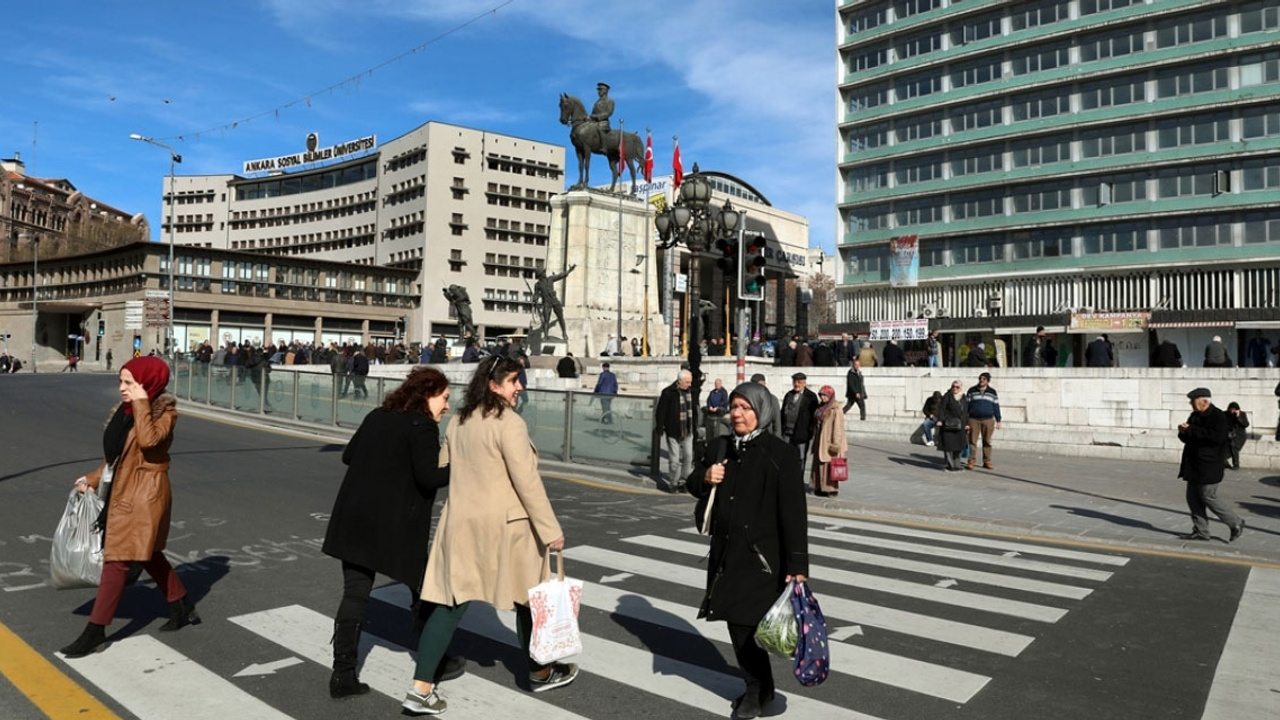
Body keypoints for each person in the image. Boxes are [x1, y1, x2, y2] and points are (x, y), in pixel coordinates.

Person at [408, 356, 573, 714]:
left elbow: (442, 468)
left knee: (450, 604)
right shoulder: (509, 423)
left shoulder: (460, 421)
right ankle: (539, 671)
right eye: (514, 381)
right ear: (494, 385)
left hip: (462, 524)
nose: (520, 387)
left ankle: (420, 688)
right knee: (528, 599)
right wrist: (550, 530)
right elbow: (526, 482)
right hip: (507, 528)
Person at [321, 368, 458, 698]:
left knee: (355, 593)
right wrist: (461, 465)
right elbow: (429, 478)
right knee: (424, 589)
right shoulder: (422, 425)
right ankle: (434, 661)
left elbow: (348, 455)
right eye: (444, 398)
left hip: (354, 520)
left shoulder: (377, 415)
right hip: (396, 528)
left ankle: (342, 674)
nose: (447, 406)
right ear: (427, 395)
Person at [60, 357, 200, 658]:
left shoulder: (165, 412)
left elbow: (149, 442)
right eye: (121, 382)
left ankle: (95, 630)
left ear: (147, 384)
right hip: (123, 490)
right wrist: (93, 478)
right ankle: (181, 603)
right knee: (147, 554)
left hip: (144, 495)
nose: (122, 389)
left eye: (130, 383)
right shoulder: (123, 413)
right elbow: (118, 458)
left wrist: (141, 403)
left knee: (118, 561)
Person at [686, 382, 809, 720]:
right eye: (734, 407)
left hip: (763, 559)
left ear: (761, 411)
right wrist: (706, 476)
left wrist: (797, 564)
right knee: (738, 626)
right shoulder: (720, 446)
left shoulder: (779, 454)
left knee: (749, 626)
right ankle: (760, 685)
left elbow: (794, 515)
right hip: (727, 554)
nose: (737, 414)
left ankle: (756, 690)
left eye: (745, 408)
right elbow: (692, 484)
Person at [1176, 388, 1245, 542]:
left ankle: (1236, 522)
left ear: (1204, 401)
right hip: (1193, 465)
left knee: (1208, 496)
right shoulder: (1194, 416)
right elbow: (1189, 438)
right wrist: (1182, 432)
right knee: (1193, 497)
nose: (1191, 404)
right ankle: (1201, 531)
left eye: (1193, 401)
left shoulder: (1218, 417)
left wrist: (1191, 430)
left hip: (1210, 465)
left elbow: (1215, 438)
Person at [656, 370, 696, 492]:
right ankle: (673, 483)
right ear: (679, 381)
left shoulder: (691, 392)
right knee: (674, 459)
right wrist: (660, 427)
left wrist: (695, 427)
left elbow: (694, 410)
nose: (690, 384)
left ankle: (683, 481)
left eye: (690, 382)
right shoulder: (668, 393)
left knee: (688, 457)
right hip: (673, 431)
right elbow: (660, 412)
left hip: (688, 430)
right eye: (687, 382)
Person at [810, 385, 847, 498]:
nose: (823, 397)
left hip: (830, 440)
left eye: (825, 395)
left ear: (830, 395)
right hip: (819, 440)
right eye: (821, 395)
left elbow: (838, 428)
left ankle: (831, 489)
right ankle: (819, 487)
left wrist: (836, 444)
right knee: (819, 464)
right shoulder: (821, 407)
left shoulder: (836, 408)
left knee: (829, 465)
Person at [780, 372, 819, 470]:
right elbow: (782, 412)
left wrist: (810, 431)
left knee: (800, 458)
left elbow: (813, 416)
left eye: (799, 382)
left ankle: (798, 480)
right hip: (787, 432)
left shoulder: (811, 397)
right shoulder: (789, 395)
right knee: (786, 457)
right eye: (795, 382)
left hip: (802, 433)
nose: (796, 384)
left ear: (804, 383)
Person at [965, 372, 1002, 470]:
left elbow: (996, 406)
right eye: (980, 378)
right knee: (972, 441)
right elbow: (966, 406)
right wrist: (965, 421)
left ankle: (987, 461)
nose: (981, 380)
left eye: (984, 379)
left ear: (988, 381)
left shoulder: (992, 392)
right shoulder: (972, 390)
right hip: (973, 419)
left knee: (987, 441)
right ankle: (971, 461)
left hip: (988, 420)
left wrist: (998, 420)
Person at [938, 381, 969, 472]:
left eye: (957, 387)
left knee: (959, 446)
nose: (955, 388)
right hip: (949, 425)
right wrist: (940, 420)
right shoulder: (947, 396)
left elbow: (966, 411)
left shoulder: (964, 397)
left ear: (961, 388)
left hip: (960, 425)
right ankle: (950, 465)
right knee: (948, 446)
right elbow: (942, 409)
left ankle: (957, 464)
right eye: (953, 386)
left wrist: (967, 423)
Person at [1226, 401, 1250, 471]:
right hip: (1228, 434)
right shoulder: (1225, 414)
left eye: (1234, 409)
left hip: (1239, 435)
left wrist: (1238, 417)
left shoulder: (1242, 414)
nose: (1232, 411)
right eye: (1231, 409)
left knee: (1234, 446)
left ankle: (1236, 464)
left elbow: (1246, 424)